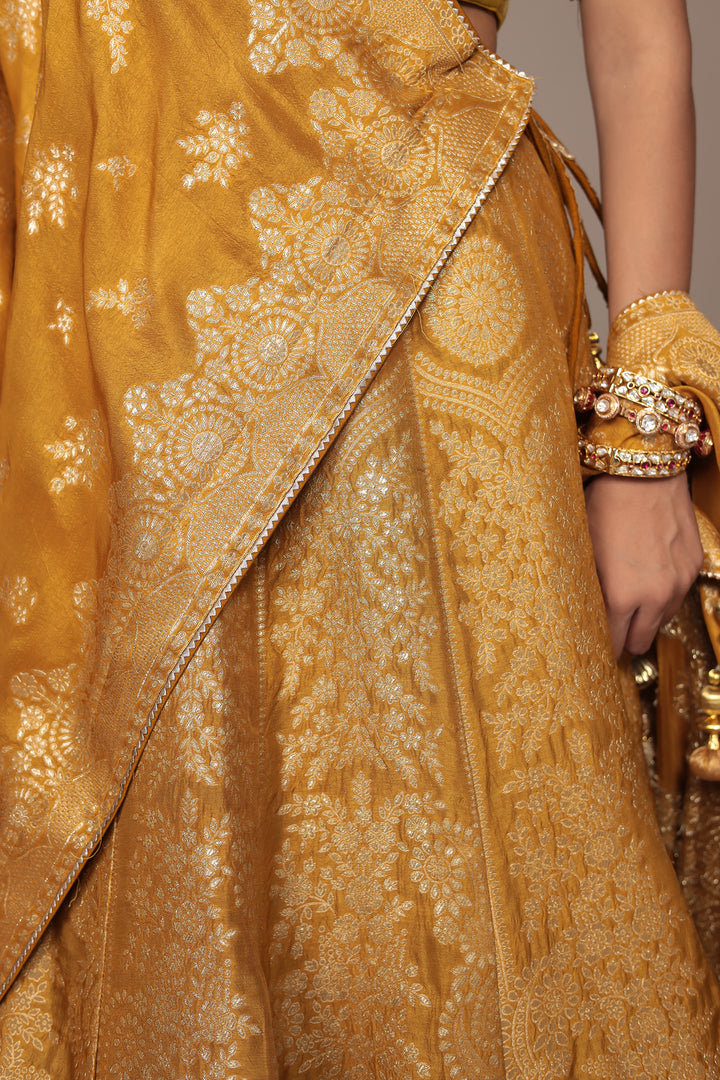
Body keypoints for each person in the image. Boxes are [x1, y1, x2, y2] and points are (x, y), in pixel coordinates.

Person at [0, 0, 718, 1075]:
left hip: (404, 317)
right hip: (84, 368)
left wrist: (645, 432)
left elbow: (636, 39)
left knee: (434, 932)